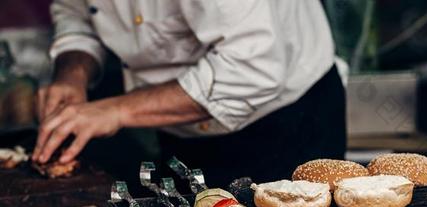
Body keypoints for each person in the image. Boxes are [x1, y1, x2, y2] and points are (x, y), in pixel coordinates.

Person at [34, 0, 346, 186]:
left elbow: (250, 69)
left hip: (284, 125)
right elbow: (76, 12)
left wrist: (117, 111)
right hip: (180, 129)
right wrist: (72, 73)